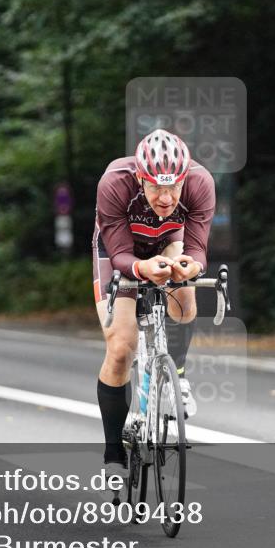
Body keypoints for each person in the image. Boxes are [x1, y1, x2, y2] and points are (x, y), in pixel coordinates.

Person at [92, 128, 215, 475]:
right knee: (121, 347)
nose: (165, 197)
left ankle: (177, 372)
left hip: (167, 240)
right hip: (118, 247)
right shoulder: (114, 183)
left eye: (174, 186)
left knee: (186, 295)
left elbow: (197, 249)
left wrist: (191, 266)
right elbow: (118, 255)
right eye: (156, 187)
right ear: (139, 177)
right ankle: (114, 453)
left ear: (184, 178)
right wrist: (141, 267)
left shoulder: (200, 182)